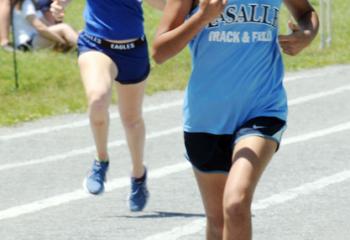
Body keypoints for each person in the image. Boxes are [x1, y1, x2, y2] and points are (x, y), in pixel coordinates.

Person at [152, 0, 318, 239]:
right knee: (218, 222)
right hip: (205, 117)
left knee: (236, 203)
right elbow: (159, 52)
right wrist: (201, 18)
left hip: (262, 108)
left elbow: (305, 12)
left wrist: (307, 34)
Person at [50, 0, 166, 212]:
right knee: (97, 98)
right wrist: (59, 4)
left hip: (133, 50)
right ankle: (101, 161)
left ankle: (138, 175)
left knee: (131, 120)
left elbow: (165, 6)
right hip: (95, 45)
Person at [12, 0, 78, 52]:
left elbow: (47, 25)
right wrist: (61, 41)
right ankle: (82, 47)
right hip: (26, 44)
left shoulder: (32, 3)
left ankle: (79, 45)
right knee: (64, 28)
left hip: (35, 38)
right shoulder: (26, 4)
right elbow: (40, 28)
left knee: (68, 29)